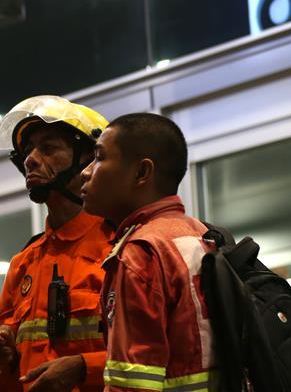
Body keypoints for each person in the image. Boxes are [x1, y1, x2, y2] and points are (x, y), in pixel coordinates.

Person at [0, 95, 112, 392]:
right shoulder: (23, 263)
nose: (30, 159)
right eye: (27, 150)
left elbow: (150, 356)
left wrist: (83, 368)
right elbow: (9, 383)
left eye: (49, 148)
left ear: (87, 157)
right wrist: (4, 357)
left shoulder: (121, 247)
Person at [79, 113, 216, 391]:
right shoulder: (203, 234)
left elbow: (133, 385)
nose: (86, 171)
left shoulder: (140, 253)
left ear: (142, 173)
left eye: (100, 158)